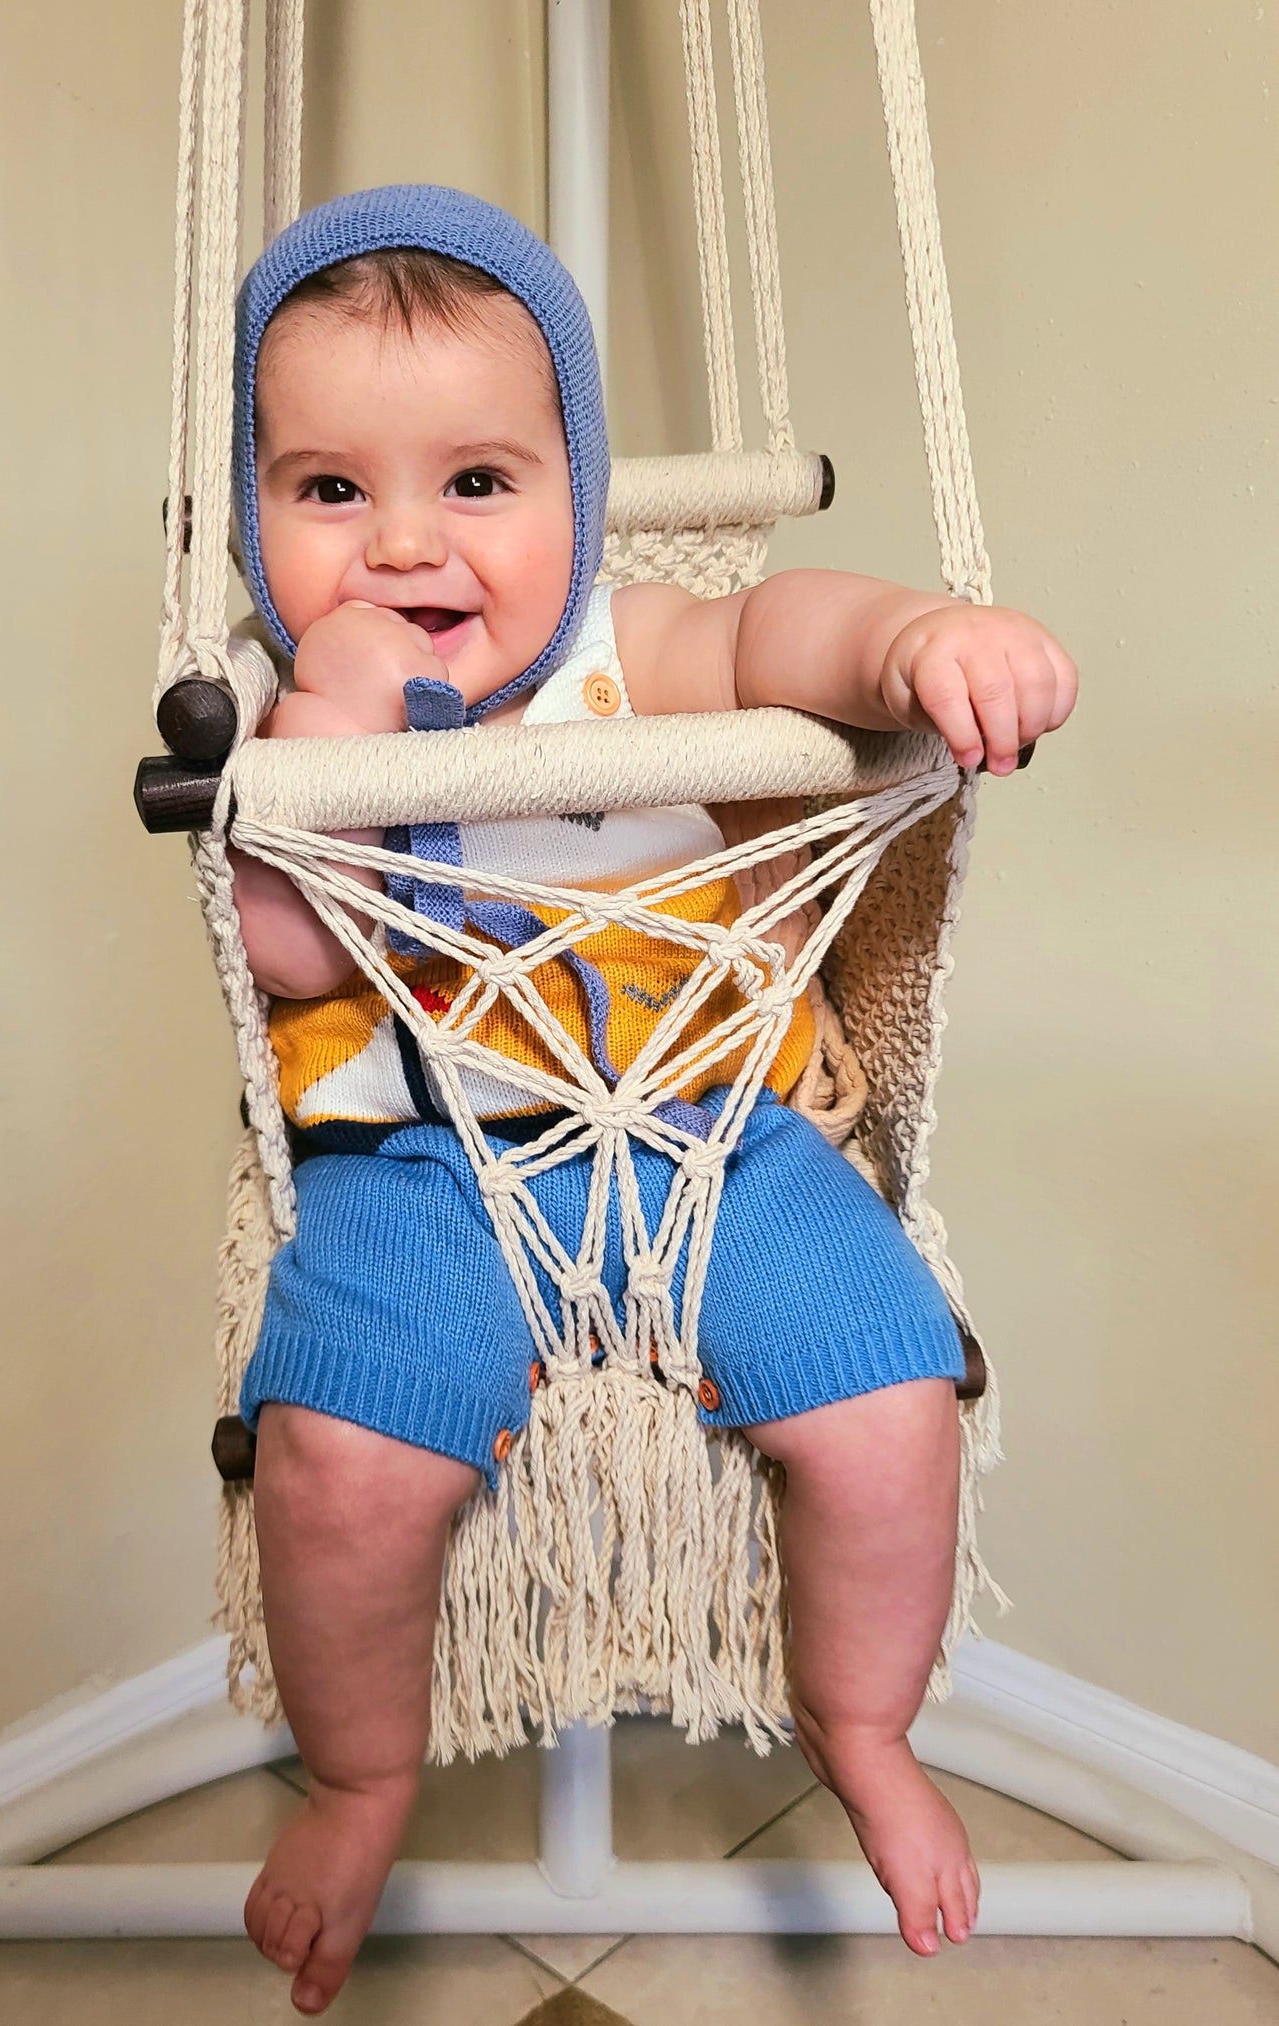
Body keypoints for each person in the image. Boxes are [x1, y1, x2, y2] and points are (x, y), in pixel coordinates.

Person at [224, 185, 1077, 2015]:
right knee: (338, 1462)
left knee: (890, 1397)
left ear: (577, 495)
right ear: (252, 517)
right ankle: (362, 1773)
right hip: (423, 1155)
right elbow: (293, 952)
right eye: (325, 491)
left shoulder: (636, 647)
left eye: (474, 483)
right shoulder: (300, 707)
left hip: (709, 1131)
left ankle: (861, 1725)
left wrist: (916, 634)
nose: (397, 545)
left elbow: (792, 627)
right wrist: (343, 713)